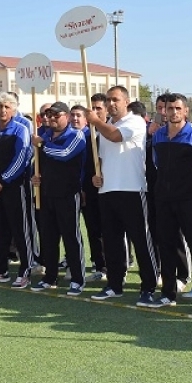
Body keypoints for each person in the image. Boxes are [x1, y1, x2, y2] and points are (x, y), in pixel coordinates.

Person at [145, 93, 192, 315]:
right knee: (166, 246)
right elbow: (156, 164)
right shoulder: (158, 137)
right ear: (164, 111)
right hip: (164, 201)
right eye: (170, 108)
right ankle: (168, 294)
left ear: (186, 111)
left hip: (190, 201)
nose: (174, 112)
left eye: (178, 108)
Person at [85, 85, 158, 302]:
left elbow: (116, 137)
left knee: (141, 240)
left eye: (115, 99)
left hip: (132, 189)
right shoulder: (105, 126)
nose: (111, 103)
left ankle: (148, 287)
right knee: (112, 242)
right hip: (108, 191)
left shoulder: (134, 121)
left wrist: (96, 122)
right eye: (108, 100)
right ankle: (114, 284)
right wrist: (97, 175)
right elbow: (103, 158)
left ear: (126, 101)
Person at [0, 92, 34, 286]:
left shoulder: (21, 129)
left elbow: (21, 158)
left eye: (7, 107)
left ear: (14, 109)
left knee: (20, 230)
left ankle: (25, 270)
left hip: (13, 187)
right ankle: (0, 270)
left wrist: (2, 181)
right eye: (0, 106)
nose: (3, 110)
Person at [30, 101, 86, 294]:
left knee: (71, 237)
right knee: (48, 238)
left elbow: (64, 154)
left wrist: (42, 144)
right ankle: (50, 277)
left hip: (67, 194)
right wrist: (35, 176)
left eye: (56, 115)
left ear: (67, 116)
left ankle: (77, 279)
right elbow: (38, 162)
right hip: (46, 194)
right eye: (49, 115)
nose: (52, 118)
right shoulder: (45, 136)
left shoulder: (75, 135)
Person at [72, 100, 105, 282]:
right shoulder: (70, 136)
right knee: (85, 228)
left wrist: (85, 186)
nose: (75, 119)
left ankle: (105, 265)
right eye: (73, 115)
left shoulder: (93, 136)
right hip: (76, 189)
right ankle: (90, 262)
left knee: (99, 228)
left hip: (94, 188)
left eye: (79, 115)